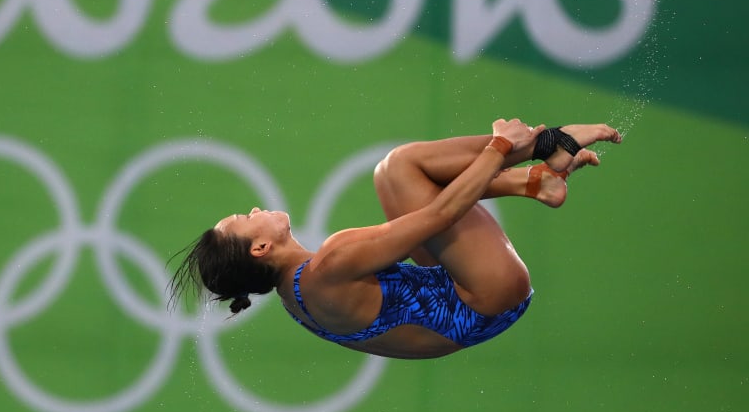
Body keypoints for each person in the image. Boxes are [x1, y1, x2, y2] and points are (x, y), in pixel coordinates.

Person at [168, 120, 622, 359]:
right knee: (400, 166)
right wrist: (499, 146)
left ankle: (537, 181)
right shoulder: (330, 264)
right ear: (260, 248)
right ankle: (547, 144)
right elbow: (443, 212)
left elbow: (429, 211)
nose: (252, 210)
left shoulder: (298, 297)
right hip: (485, 296)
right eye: (243, 220)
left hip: (462, 307)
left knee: (395, 180)